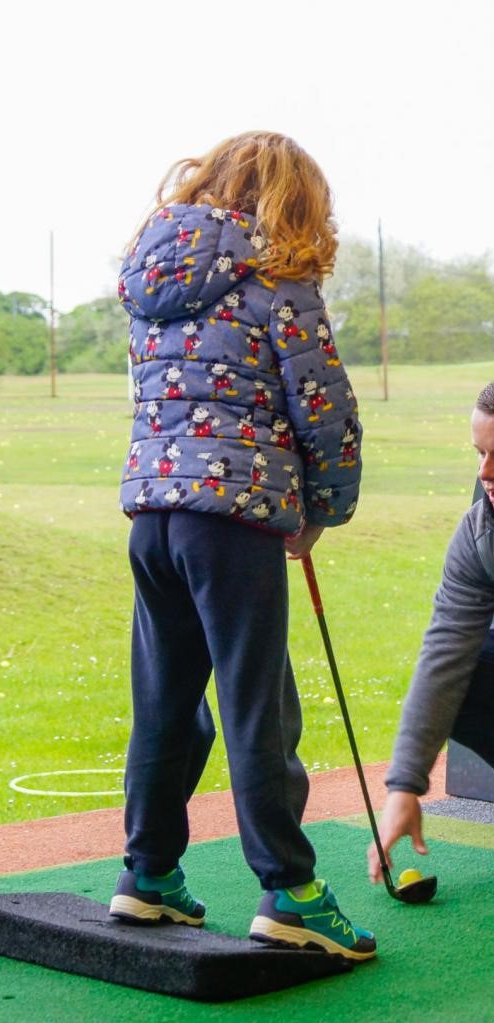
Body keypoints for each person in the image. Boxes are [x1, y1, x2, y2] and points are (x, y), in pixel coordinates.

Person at [108, 130, 376, 962]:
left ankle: (148, 874)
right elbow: (324, 410)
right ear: (293, 200)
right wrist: (325, 507)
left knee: (166, 700)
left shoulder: (151, 278)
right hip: (231, 519)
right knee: (259, 703)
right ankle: (291, 890)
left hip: (153, 518)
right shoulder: (280, 281)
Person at [369, 382, 494, 883]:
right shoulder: (479, 533)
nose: (485, 473)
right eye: (481, 453)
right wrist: (404, 787)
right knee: (471, 668)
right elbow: (446, 654)